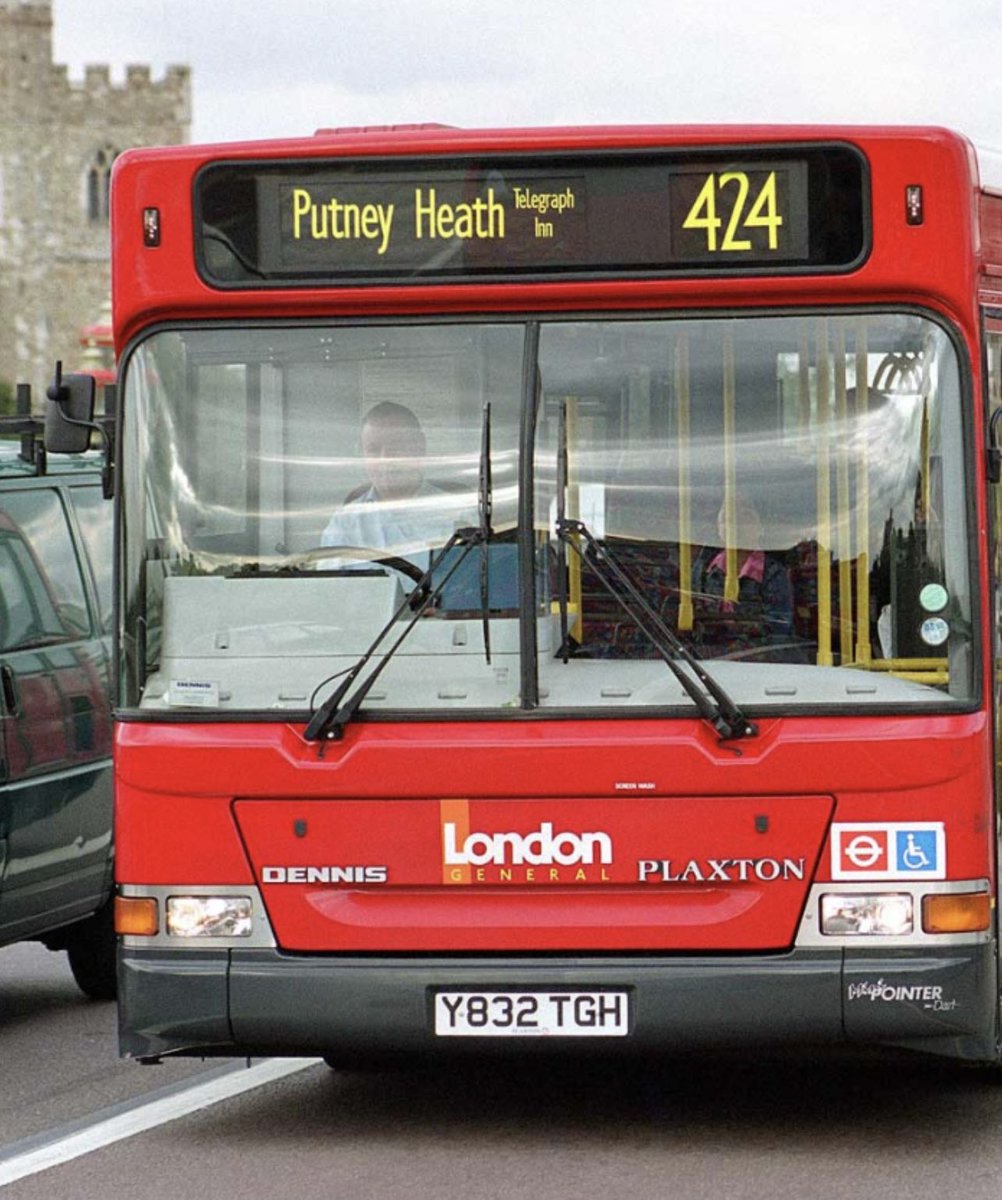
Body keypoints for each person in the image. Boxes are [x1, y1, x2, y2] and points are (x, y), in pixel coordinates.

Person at [320, 401, 457, 558]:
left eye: (396, 448)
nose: (384, 459)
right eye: (373, 450)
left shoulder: (457, 516)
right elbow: (331, 580)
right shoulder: (345, 524)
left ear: (420, 447)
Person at [690, 497, 796, 660]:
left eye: (744, 517)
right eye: (727, 518)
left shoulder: (774, 573)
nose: (735, 525)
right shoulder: (704, 570)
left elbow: (779, 629)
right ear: (718, 528)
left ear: (760, 527)